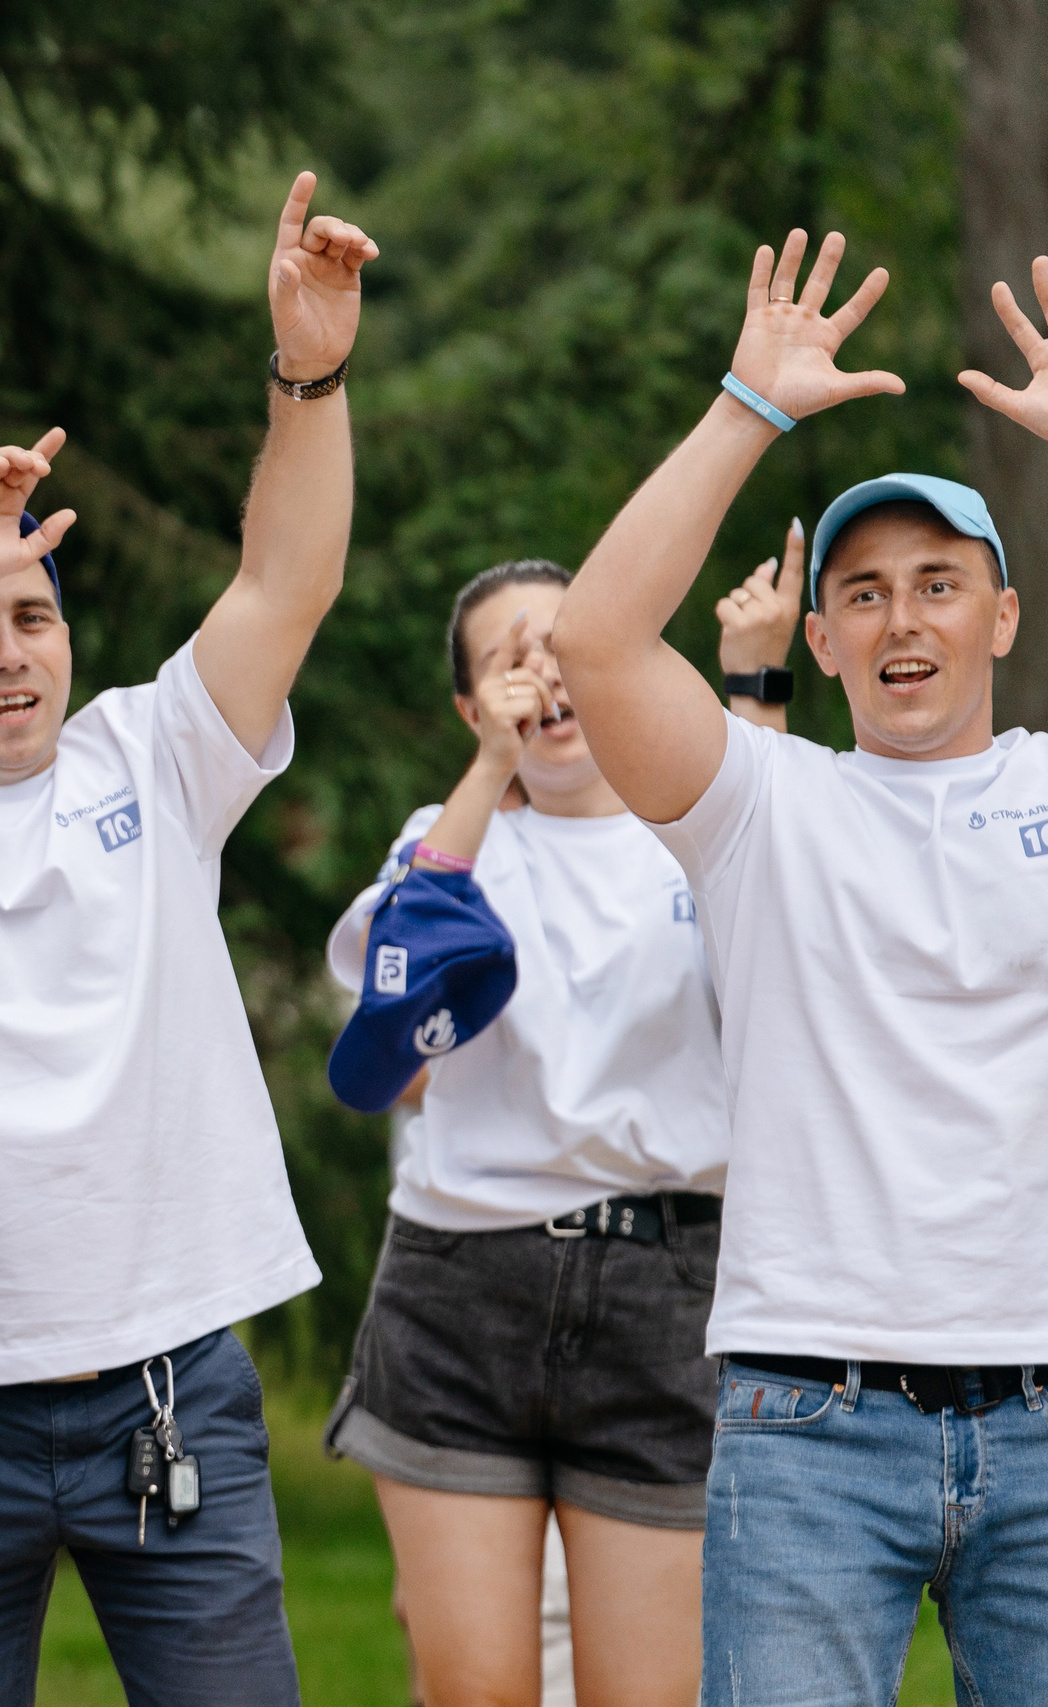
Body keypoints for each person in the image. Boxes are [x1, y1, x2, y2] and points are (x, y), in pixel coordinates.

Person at [0, 173, 369, 1706]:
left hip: (166, 1383)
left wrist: (310, 370)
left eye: (33, 618)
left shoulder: (153, 758)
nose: (8, 654)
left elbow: (288, 577)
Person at [553, 228, 1048, 1700]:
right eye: (869, 592)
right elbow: (594, 636)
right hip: (807, 1412)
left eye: (942, 582)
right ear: (821, 639)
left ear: (1003, 619)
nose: (907, 616)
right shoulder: (761, 801)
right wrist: (747, 409)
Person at [317, 535, 803, 1707]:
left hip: (664, 1292)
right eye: (508, 662)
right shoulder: (447, 839)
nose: (542, 677)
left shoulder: (691, 829)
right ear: (469, 702)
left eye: (564, 647)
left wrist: (754, 692)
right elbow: (395, 1033)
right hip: (458, 1295)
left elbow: (773, 925)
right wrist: (488, 771)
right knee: (476, 1690)